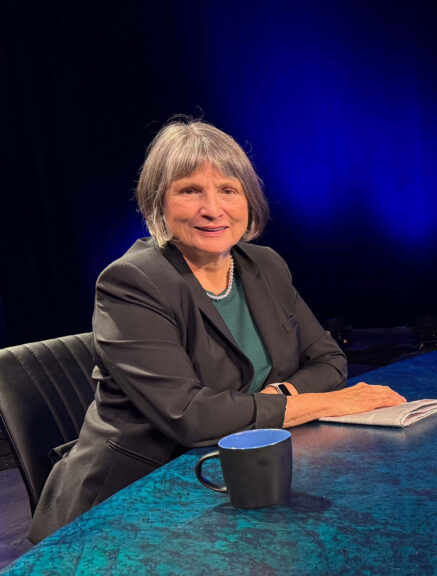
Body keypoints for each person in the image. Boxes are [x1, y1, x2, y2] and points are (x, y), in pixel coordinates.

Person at [28, 118, 406, 542]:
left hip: (239, 474)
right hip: (136, 501)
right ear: (159, 203)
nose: (212, 209)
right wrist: (323, 404)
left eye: (228, 189)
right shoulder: (130, 283)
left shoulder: (264, 265)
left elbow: (328, 359)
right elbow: (191, 417)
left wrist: (279, 396)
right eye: (190, 190)